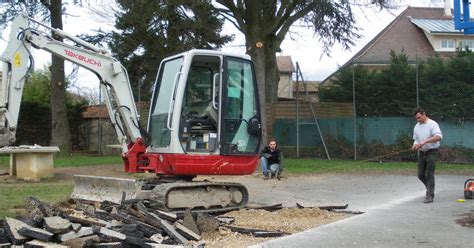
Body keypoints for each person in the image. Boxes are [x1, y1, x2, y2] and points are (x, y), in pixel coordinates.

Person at [411, 107, 443, 204]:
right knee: (420, 175)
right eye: (416, 118)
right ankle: (429, 188)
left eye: (419, 117)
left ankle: (430, 195)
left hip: (432, 152)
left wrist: (425, 141)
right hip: (422, 152)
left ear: (424, 114)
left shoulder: (432, 124)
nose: (418, 120)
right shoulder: (417, 126)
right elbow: (416, 139)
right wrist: (415, 145)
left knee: (429, 173)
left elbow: (438, 137)